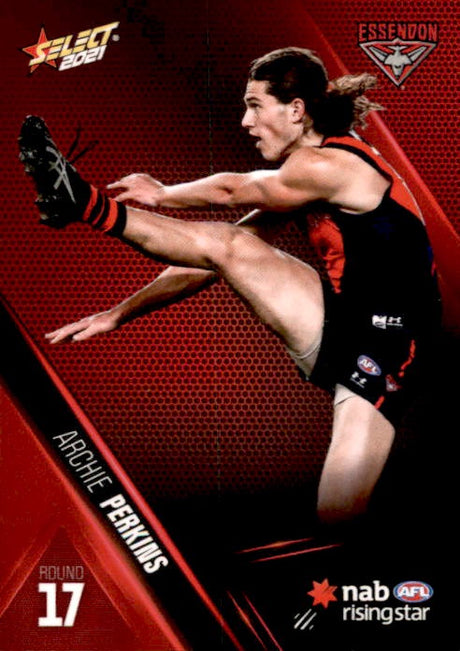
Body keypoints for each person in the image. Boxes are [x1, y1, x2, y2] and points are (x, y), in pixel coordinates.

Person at [19, 47, 441, 525]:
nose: (246, 121)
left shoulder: (328, 166)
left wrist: (162, 193)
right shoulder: (303, 180)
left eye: (255, 106)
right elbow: (215, 256)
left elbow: (232, 189)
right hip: (344, 321)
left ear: (296, 110)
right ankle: (82, 203)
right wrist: (118, 313)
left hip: (394, 346)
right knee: (233, 245)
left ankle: (82, 202)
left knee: (337, 513)